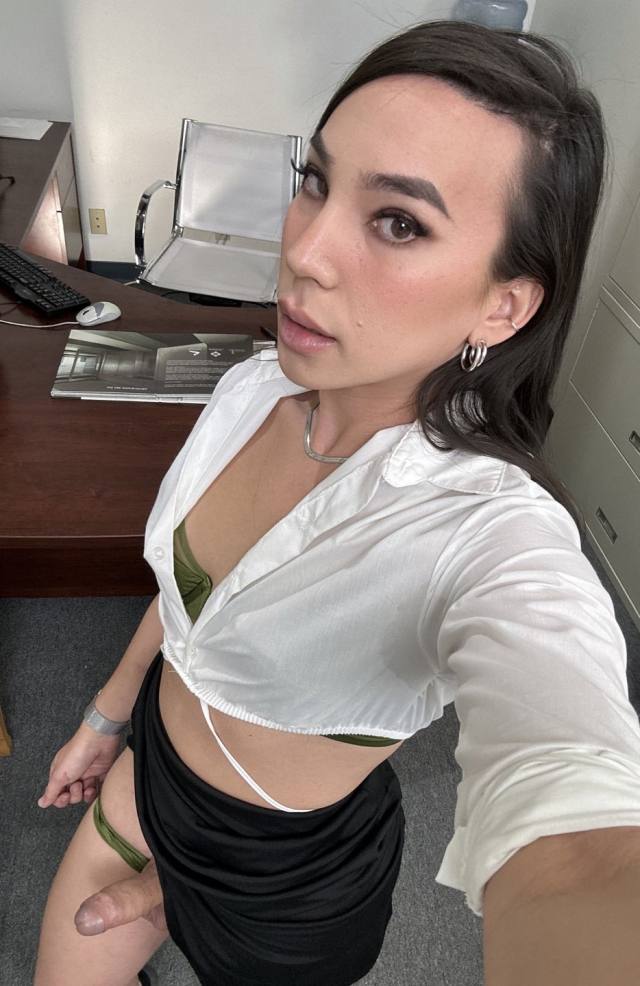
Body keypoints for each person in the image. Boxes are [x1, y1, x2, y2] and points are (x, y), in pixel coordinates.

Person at [33, 17, 640, 986]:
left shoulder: (489, 531)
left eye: (399, 222)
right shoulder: (252, 388)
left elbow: (576, 837)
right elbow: (192, 609)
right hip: (146, 784)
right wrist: (107, 720)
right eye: (315, 180)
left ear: (503, 306)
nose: (305, 251)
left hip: (281, 884)